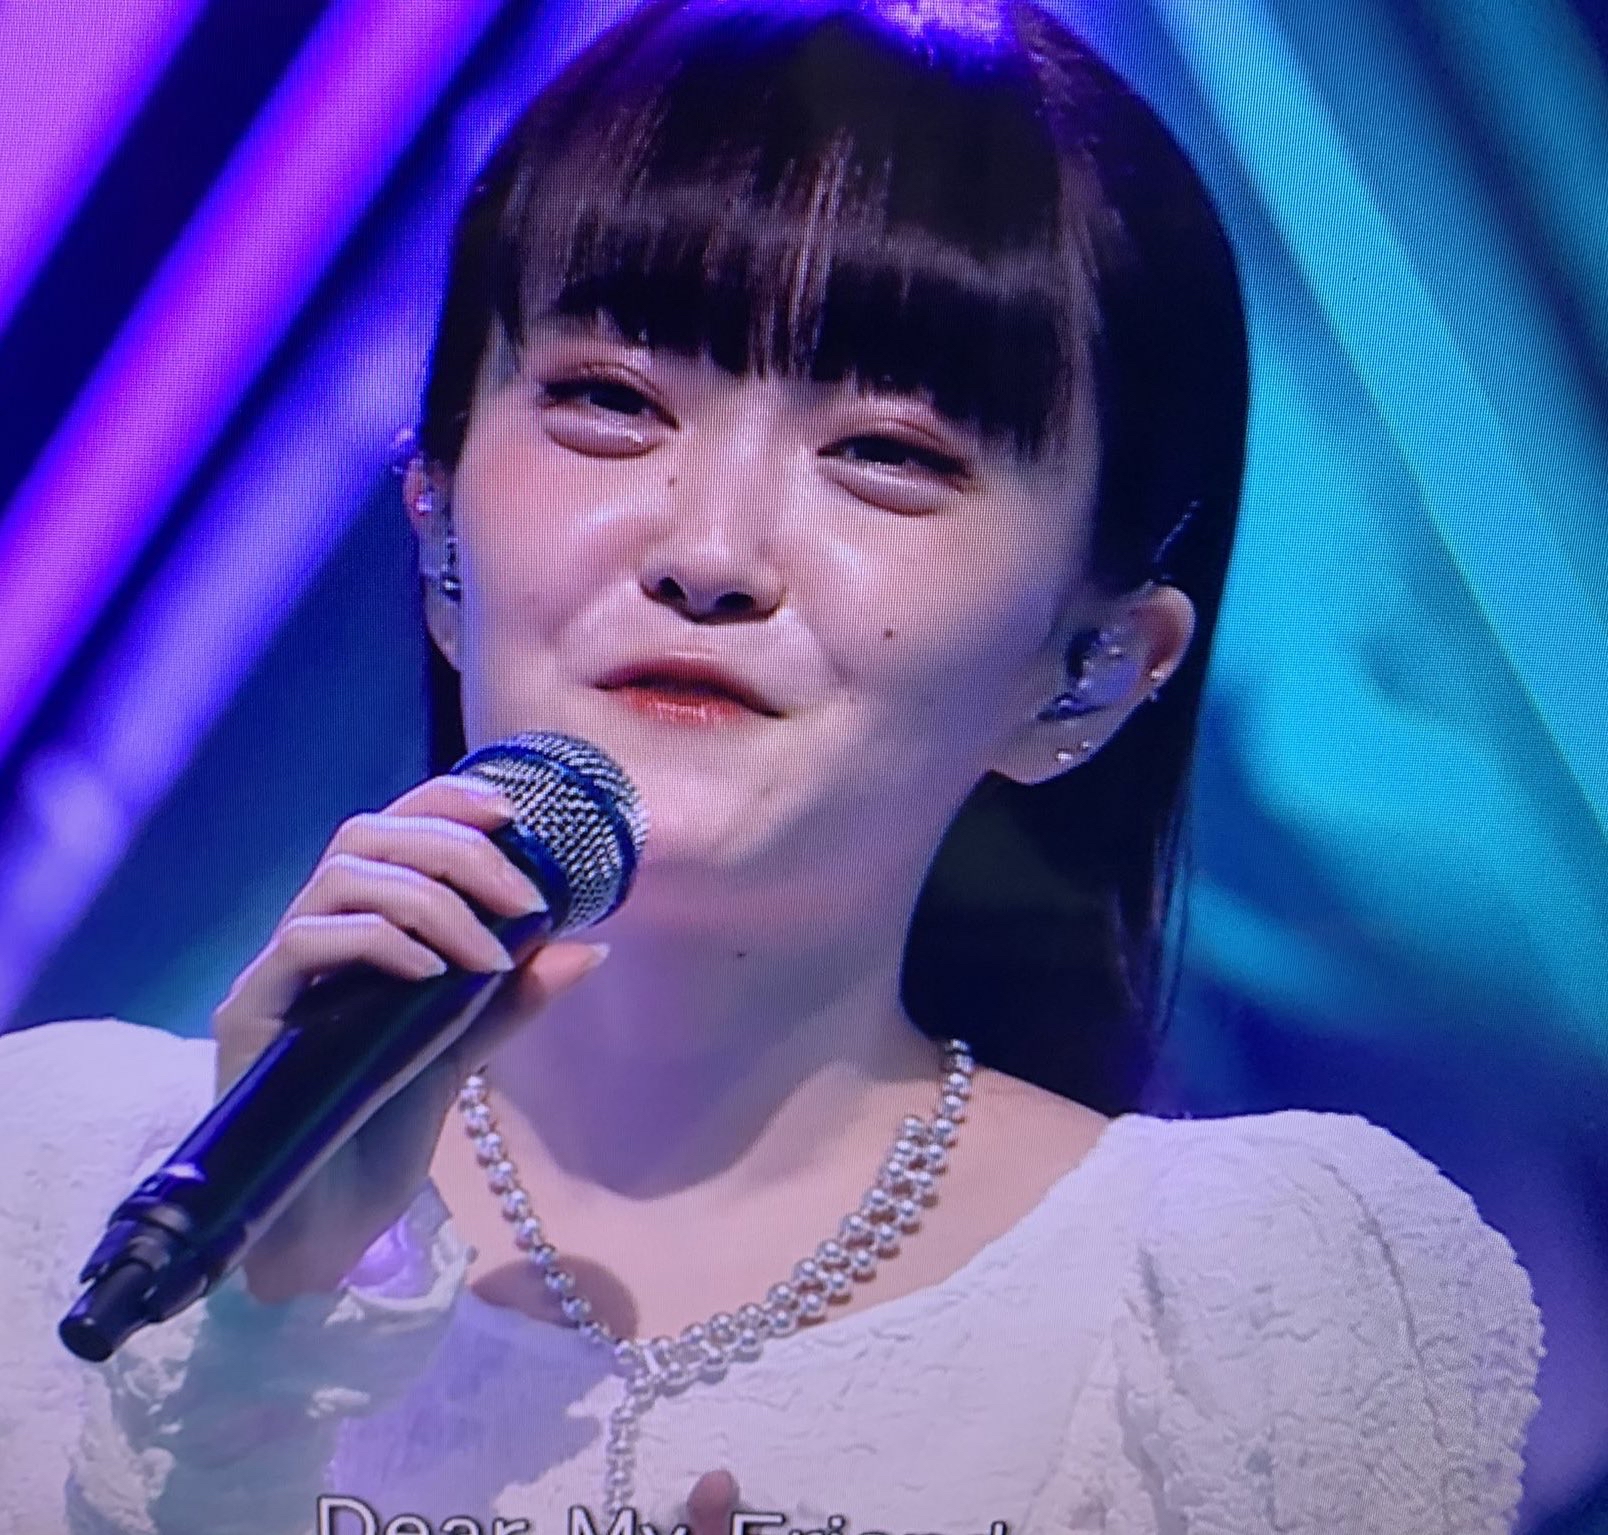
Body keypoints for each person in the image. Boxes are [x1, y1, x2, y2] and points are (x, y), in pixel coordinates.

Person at [0, 1, 1543, 1532]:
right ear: (439, 531)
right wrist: (259, 1331)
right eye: (611, 402)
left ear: (1091, 668)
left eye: (888, 454)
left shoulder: (1246, 1312)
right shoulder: (56, 1173)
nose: (712, 552)